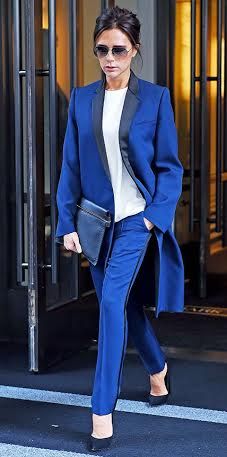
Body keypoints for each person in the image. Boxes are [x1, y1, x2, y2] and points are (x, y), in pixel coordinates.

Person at [55, 5, 184, 452]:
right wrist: (66, 222)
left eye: (119, 50)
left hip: (135, 223)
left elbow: (169, 167)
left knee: (110, 302)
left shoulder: (156, 98)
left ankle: (101, 413)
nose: (110, 58)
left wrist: (153, 216)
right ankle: (158, 370)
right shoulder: (83, 98)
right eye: (102, 50)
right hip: (95, 225)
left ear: (135, 50)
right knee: (126, 308)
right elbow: (70, 164)